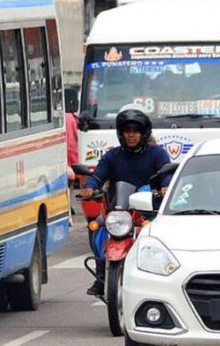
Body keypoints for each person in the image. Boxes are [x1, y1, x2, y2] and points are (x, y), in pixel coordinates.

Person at [80, 104, 172, 296]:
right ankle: (100, 276)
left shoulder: (157, 154)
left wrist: (166, 185)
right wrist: (90, 187)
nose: (131, 135)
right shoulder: (113, 156)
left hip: (148, 212)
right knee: (97, 227)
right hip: (119, 211)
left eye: (135, 131)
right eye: (127, 131)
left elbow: (167, 172)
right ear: (121, 134)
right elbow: (98, 175)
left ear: (144, 133)